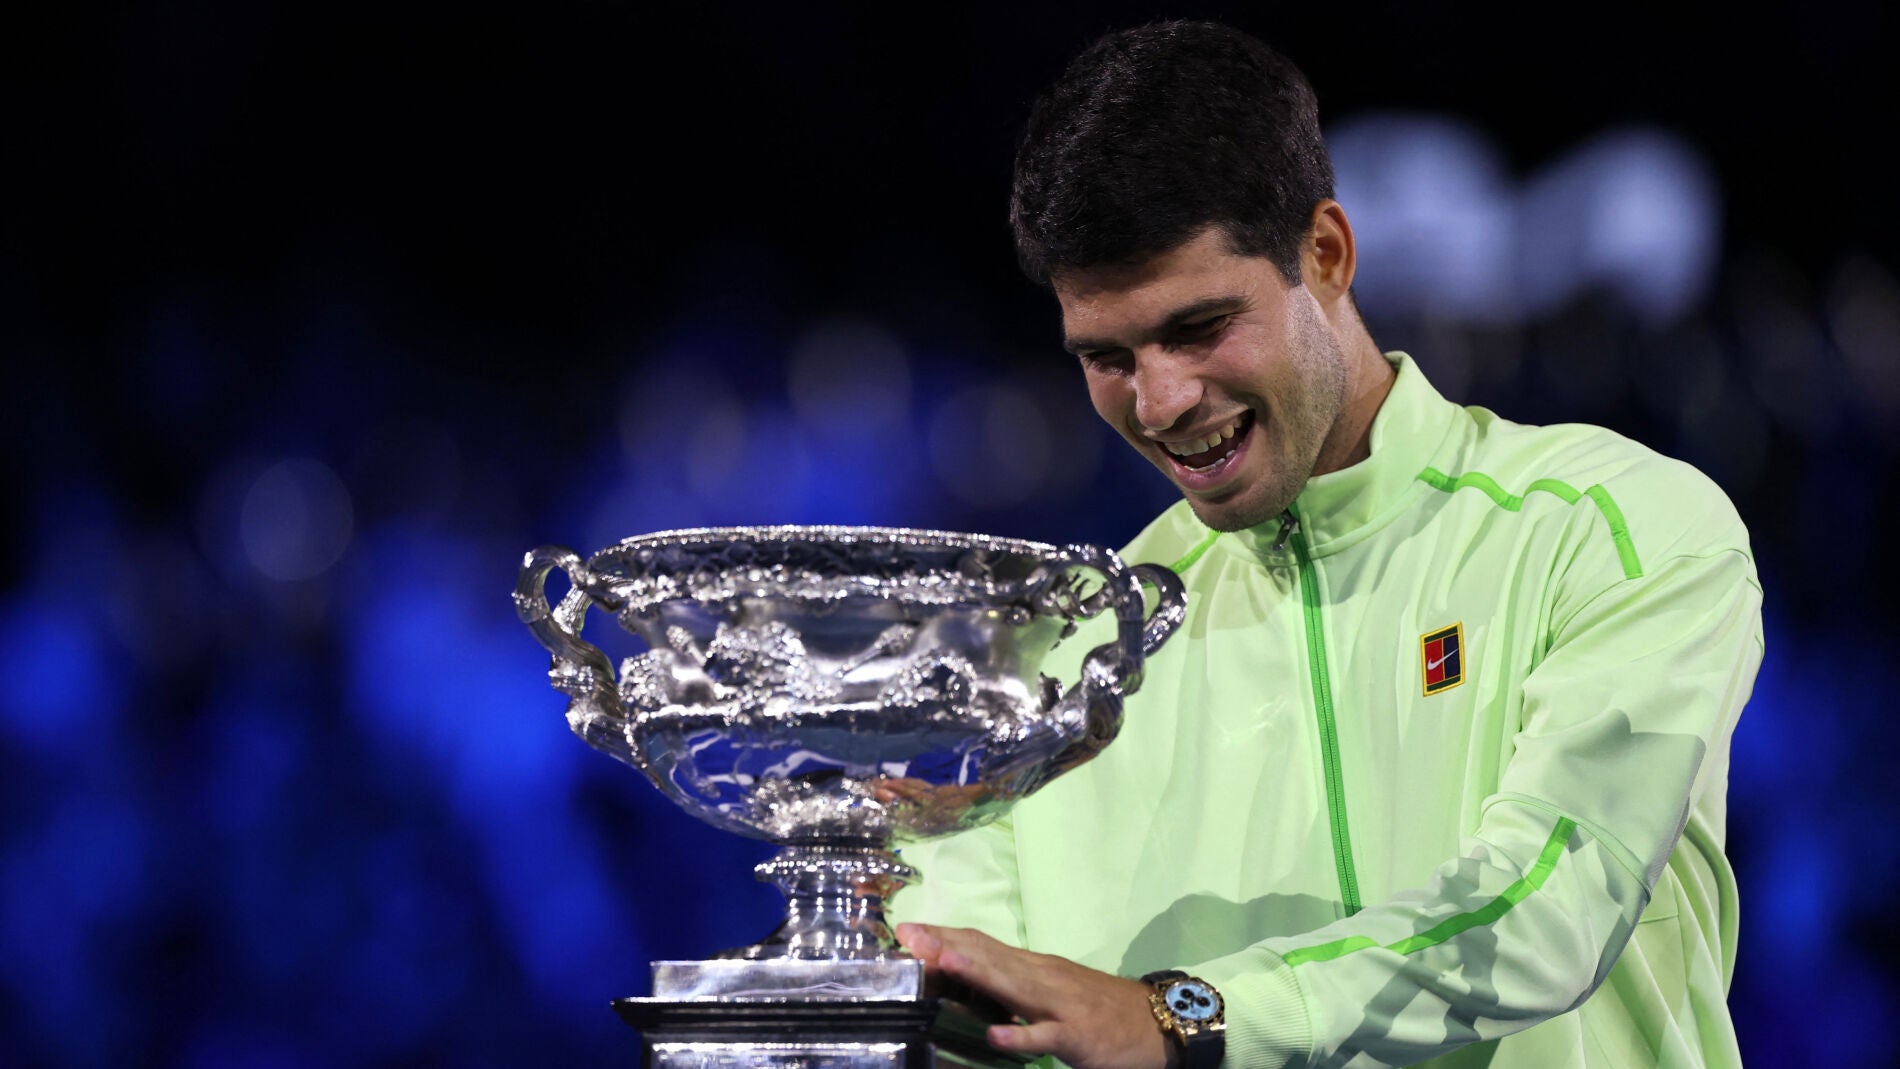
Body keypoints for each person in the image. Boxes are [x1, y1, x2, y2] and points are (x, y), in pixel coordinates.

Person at [888, 19, 1761, 1069]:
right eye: (1107, 355)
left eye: (1200, 326)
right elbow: (971, 1020)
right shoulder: (1073, 659)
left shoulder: (1615, 528)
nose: (1160, 400)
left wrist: (1181, 1021)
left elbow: (1547, 910)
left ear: (1327, 255)